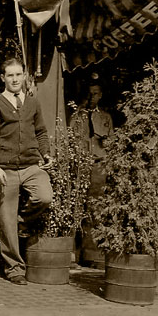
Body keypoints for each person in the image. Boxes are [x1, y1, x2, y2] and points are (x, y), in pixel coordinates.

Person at [0, 57, 53, 285]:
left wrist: (46, 153)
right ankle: (14, 269)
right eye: (10, 75)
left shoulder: (32, 103)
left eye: (18, 75)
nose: (15, 79)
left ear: (24, 76)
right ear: (3, 78)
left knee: (44, 196)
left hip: (31, 166)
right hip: (5, 170)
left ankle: (20, 223)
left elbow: (41, 131)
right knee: (5, 218)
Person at [70, 80, 114, 267]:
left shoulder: (105, 117)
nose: (91, 97)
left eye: (95, 93)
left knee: (95, 210)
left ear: (101, 95)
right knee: (77, 208)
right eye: (89, 93)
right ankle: (74, 254)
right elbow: (71, 139)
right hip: (81, 167)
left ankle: (92, 255)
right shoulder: (77, 117)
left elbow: (111, 143)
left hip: (98, 167)